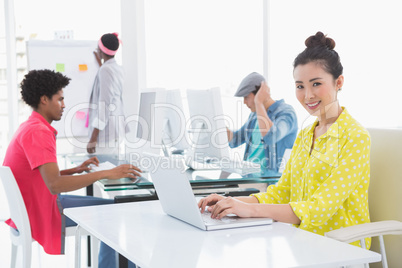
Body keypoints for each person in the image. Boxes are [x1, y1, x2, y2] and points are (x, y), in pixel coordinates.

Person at [199, 32, 371, 248]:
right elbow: (282, 192)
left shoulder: (355, 137)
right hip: (301, 243)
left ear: (339, 82)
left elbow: (319, 208)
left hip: (338, 248)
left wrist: (250, 209)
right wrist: (232, 202)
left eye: (316, 84)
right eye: (300, 86)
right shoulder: (306, 134)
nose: (307, 95)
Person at [3, 69, 140, 267]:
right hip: (44, 211)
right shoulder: (39, 132)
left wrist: (75, 170)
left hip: (38, 205)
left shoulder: (30, 126)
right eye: (60, 99)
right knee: (116, 213)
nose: (64, 105)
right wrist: (107, 173)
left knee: (114, 209)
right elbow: (55, 185)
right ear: (44, 99)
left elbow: (41, 174)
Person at [227, 72, 298, 172]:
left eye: (246, 97)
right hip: (249, 176)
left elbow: (270, 137)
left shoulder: (286, 113)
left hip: (270, 182)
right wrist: (220, 128)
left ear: (260, 94)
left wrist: (259, 103)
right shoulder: (254, 115)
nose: (244, 102)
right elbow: (235, 140)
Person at [87, 32, 127, 155]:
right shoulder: (116, 68)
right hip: (114, 131)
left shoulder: (106, 70)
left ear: (101, 49)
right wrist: (101, 64)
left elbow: (105, 104)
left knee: (102, 171)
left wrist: (93, 138)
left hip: (105, 134)